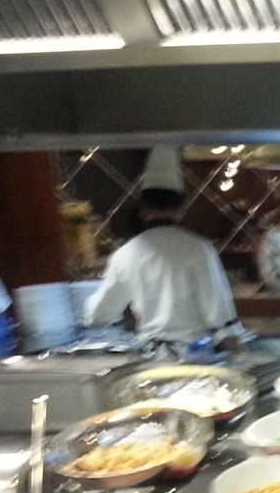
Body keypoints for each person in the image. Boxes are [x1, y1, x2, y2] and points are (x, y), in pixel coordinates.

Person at [85, 147, 241, 348]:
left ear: (142, 209)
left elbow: (99, 314)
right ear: (181, 208)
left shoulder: (124, 255)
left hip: (150, 357)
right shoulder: (199, 249)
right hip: (195, 356)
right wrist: (236, 352)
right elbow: (220, 314)